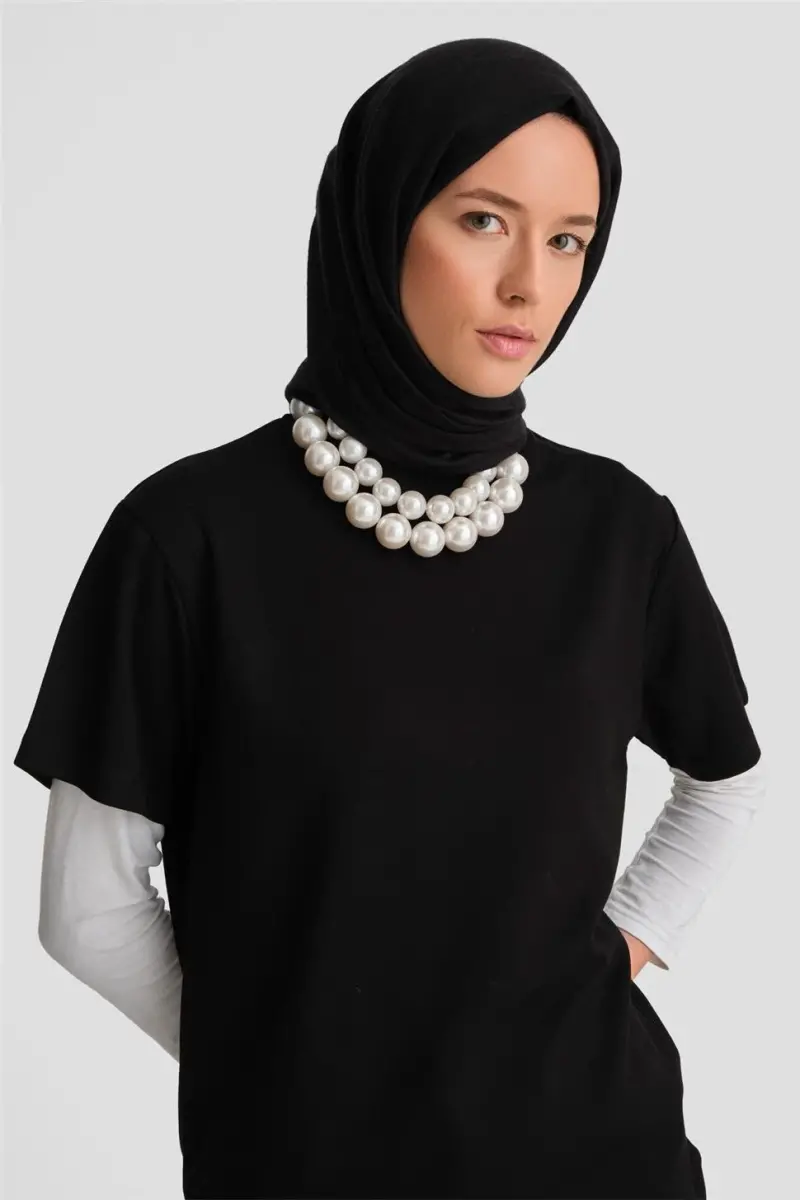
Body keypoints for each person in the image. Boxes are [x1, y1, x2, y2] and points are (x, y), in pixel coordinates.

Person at [13, 36, 765, 1199]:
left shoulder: (619, 530)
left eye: (567, 240)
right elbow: (86, 907)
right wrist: (276, 1073)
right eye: (483, 220)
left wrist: (613, 952)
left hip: (602, 1156)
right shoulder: (188, 536)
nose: (529, 285)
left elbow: (725, 778)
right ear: (378, 217)